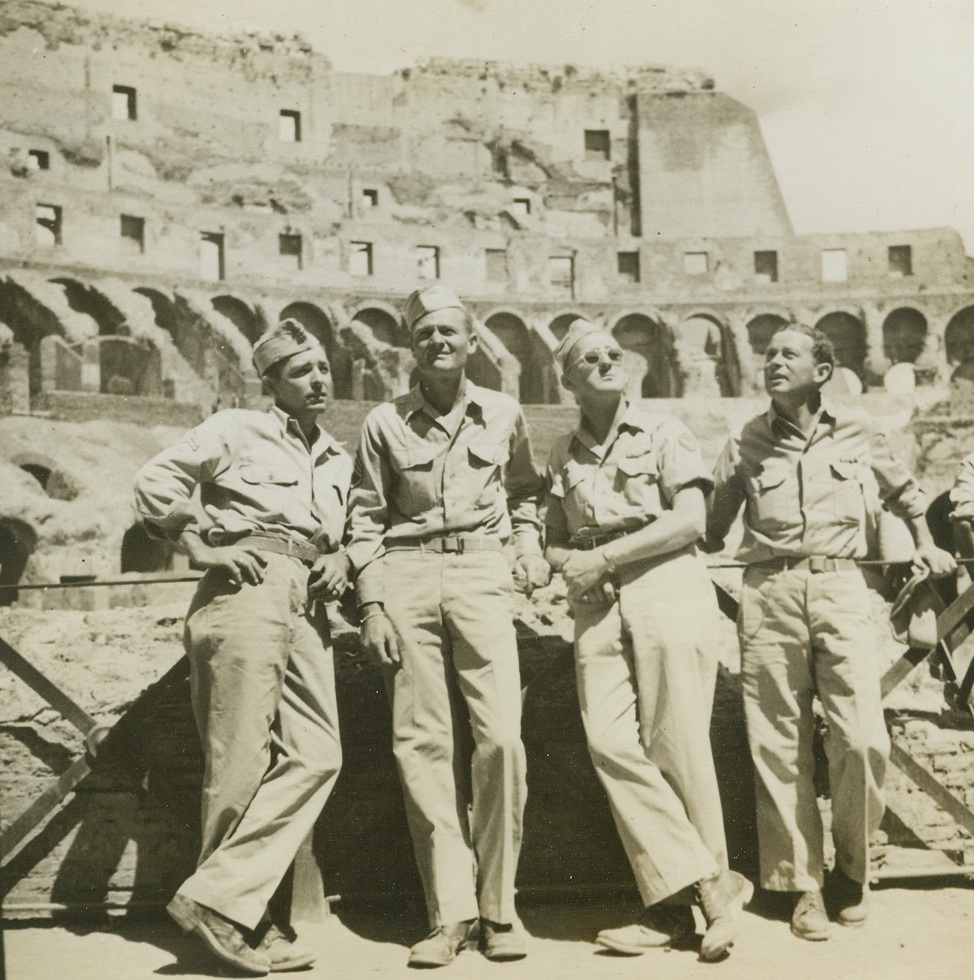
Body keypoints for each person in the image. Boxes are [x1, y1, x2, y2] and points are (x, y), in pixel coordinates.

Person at [705, 322, 955, 941]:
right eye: (768, 355)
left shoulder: (860, 430)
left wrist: (925, 544)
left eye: (786, 354)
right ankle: (802, 887)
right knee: (777, 745)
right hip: (768, 594)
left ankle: (851, 871)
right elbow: (710, 528)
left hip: (842, 589)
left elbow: (907, 493)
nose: (772, 362)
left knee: (863, 739)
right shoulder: (744, 440)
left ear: (821, 372)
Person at [134, 320, 352, 976]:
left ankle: (216, 899)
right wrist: (198, 545)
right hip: (245, 587)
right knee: (239, 764)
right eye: (301, 371)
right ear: (271, 384)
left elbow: (347, 532)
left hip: (308, 601)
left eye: (322, 367)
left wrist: (340, 556)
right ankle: (241, 920)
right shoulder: (235, 428)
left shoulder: (338, 458)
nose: (318, 379)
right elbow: (155, 481)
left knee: (318, 755)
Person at [345, 284, 549, 968]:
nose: (437, 342)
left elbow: (525, 493)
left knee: (502, 740)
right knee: (421, 744)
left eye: (448, 331)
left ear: (470, 342)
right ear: (411, 346)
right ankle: (450, 913)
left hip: (481, 572)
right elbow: (365, 519)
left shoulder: (504, 413)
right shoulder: (383, 422)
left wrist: (527, 548)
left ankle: (499, 908)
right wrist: (372, 604)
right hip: (406, 575)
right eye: (425, 333)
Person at [543, 318, 751, 963]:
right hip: (596, 601)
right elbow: (554, 538)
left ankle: (672, 911)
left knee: (676, 746)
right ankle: (711, 884)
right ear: (568, 379)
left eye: (613, 353)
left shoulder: (664, 431)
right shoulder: (562, 452)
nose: (608, 362)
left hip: (666, 585)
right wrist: (569, 565)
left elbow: (690, 521)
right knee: (609, 743)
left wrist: (603, 558)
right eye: (591, 358)